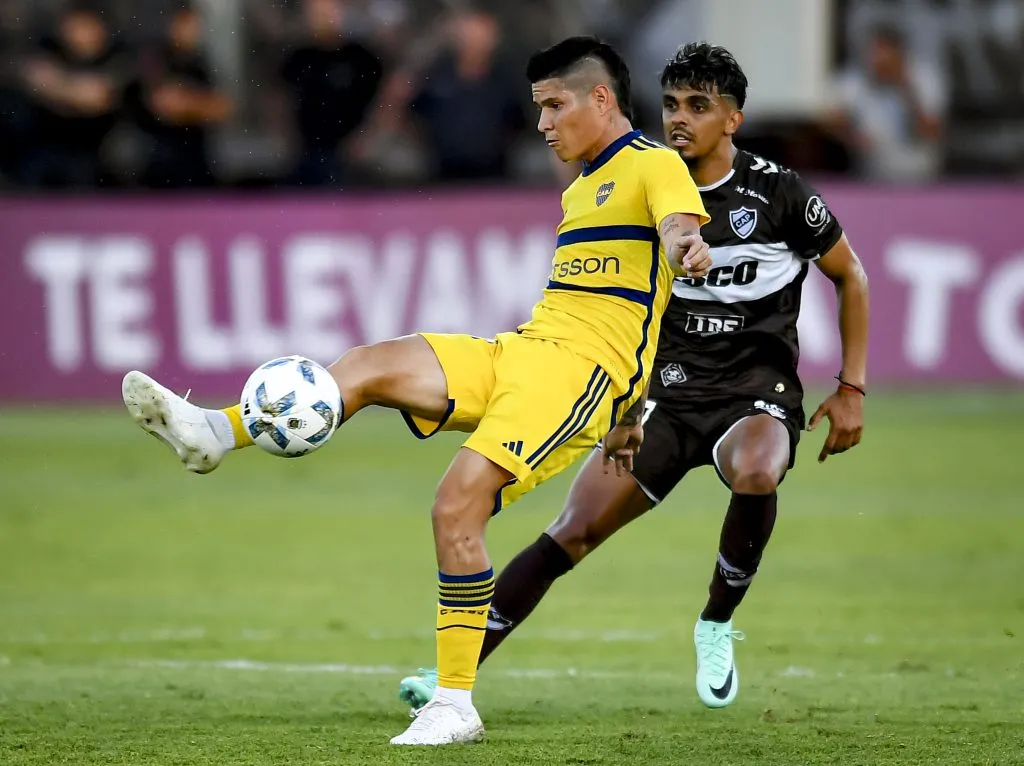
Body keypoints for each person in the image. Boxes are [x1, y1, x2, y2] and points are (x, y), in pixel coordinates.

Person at [121, 36, 711, 745]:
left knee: (455, 506)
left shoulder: (655, 164)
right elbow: (633, 309)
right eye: (539, 108)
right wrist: (629, 419)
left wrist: (688, 251)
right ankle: (215, 433)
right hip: (523, 350)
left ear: (601, 99)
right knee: (372, 364)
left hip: (574, 379)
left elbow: (677, 237)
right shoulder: (583, 186)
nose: (543, 124)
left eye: (554, 106)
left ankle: (455, 704)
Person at [397, 41, 870, 714]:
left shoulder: (779, 192)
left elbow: (851, 275)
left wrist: (851, 387)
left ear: (733, 118)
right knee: (572, 531)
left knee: (759, 468)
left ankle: (715, 622)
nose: (681, 119)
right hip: (661, 397)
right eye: (672, 104)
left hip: (753, 391)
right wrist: (623, 412)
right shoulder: (640, 179)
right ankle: (454, 671)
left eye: (699, 107)